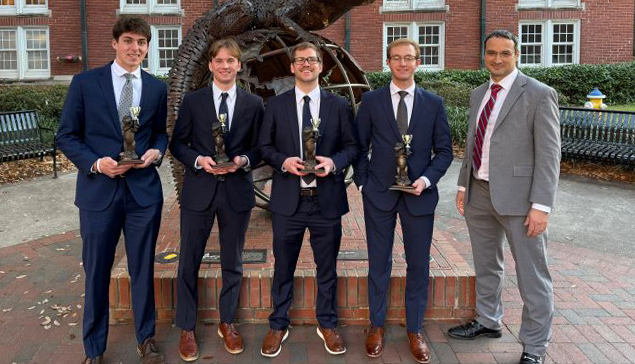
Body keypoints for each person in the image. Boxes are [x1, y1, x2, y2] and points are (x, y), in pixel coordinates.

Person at [56, 17, 168, 364]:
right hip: (98, 193)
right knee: (97, 270)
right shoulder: (86, 83)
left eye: (142, 43)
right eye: (129, 41)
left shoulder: (155, 88)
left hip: (143, 195)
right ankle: (94, 349)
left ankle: (146, 338)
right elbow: (66, 136)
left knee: (142, 268)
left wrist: (156, 152)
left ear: (148, 47)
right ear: (115, 43)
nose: (136, 48)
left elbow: (161, 133)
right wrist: (96, 163)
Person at [447, 30, 560, 364]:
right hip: (479, 194)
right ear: (484, 54)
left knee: (532, 273)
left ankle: (535, 347)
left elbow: (549, 155)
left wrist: (541, 206)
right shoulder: (479, 92)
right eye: (491, 53)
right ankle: (488, 320)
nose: (497, 59)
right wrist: (464, 185)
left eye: (505, 53)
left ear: (517, 55)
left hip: (521, 199)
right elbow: (474, 142)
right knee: (486, 264)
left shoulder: (539, 94)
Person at [354, 38, 453, 363]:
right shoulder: (371, 101)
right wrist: (364, 183)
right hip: (379, 194)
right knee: (378, 263)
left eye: (408, 58)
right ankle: (377, 326)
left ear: (418, 62)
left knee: (418, 265)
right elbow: (358, 146)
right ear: (388, 62)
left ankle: (414, 329)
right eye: (396, 58)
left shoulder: (433, 103)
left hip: (419, 197)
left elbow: (444, 152)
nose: (402, 63)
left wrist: (425, 180)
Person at [258, 42, 359, 358]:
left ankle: (327, 323)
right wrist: (282, 162)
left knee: (326, 268)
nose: (306, 64)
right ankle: (278, 324)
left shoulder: (339, 106)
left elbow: (352, 147)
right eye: (300, 60)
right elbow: (264, 147)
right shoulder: (275, 106)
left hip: (325, 200)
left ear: (321, 66)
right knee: (283, 266)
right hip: (289, 200)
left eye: (312, 60)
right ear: (292, 67)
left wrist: (334, 163)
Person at [169, 38, 264, 361]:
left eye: (231, 61)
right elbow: (178, 144)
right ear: (210, 65)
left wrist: (243, 161)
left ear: (239, 65)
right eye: (219, 60)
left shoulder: (253, 104)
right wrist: (199, 161)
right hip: (200, 190)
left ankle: (228, 322)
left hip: (236, 190)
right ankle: (186, 326)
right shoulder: (193, 102)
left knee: (232, 261)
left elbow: (260, 148)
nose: (225, 66)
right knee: (188, 260)